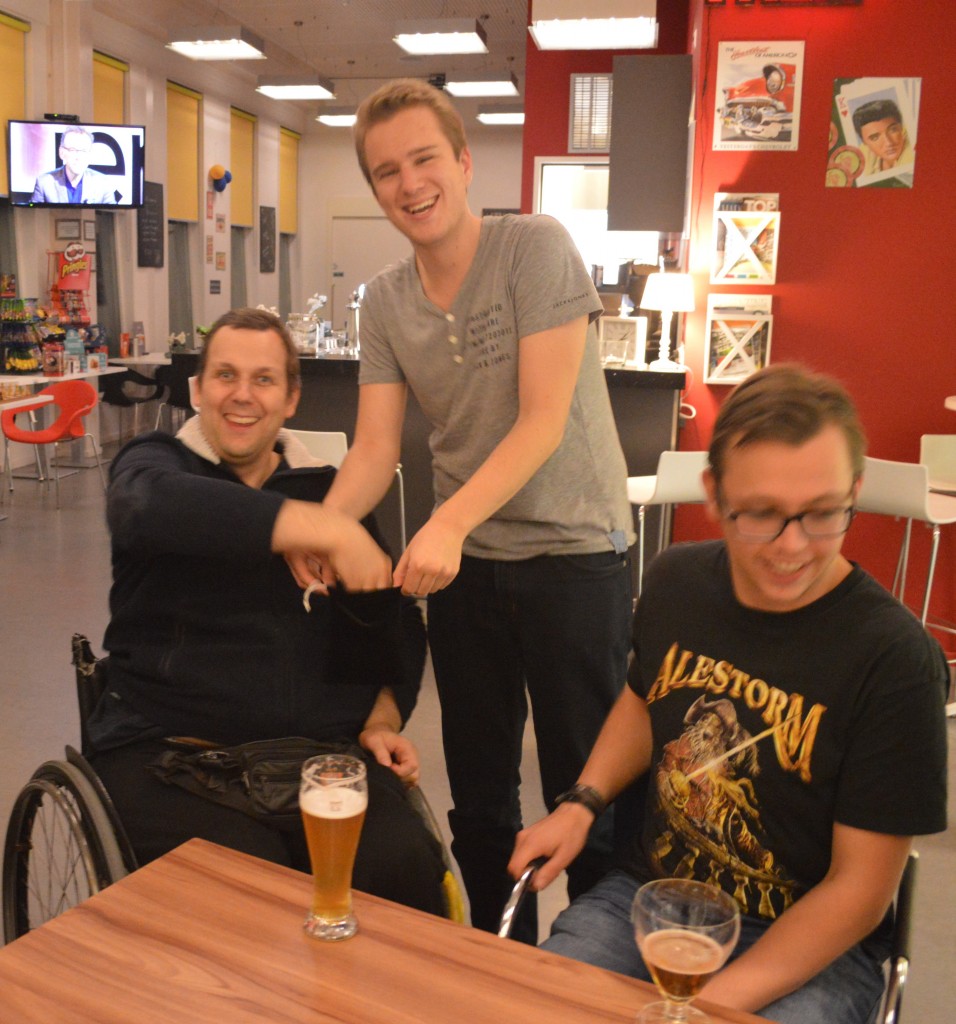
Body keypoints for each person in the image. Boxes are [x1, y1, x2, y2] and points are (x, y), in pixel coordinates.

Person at [509, 364, 948, 1023]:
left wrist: (697, 1009)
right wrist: (582, 802)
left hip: (808, 938)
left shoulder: (896, 661)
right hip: (651, 898)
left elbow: (859, 893)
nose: (793, 546)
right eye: (762, 514)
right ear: (714, 494)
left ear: (854, 491)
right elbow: (645, 700)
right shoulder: (675, 581)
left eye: (823, 513)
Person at [321, 79, 635, 941]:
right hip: (468, 572)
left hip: (575, 552)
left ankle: (594, 965)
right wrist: (325, 525)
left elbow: (543, 420)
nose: (410, 183)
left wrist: (447, 521)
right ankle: (501, 959)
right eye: (387, 171)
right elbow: (374, 449)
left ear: (463, 163)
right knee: (481, 790)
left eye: (424, 159)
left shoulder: (534, 247)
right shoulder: (385, 301)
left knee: (585, 787)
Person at [87, 307, 446, 916]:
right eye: (225, 375)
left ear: (291, 399)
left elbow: (393, 625)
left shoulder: (330, 492)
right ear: (197, 389)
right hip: (169, 753)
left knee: (403, 869)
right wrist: (318, 530)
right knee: (252, 889)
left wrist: (383, 718)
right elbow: (143, 507)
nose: (242, 396)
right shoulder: (156, 465)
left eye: (263, 380)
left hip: (315, 757)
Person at [31, 126, 117, 205]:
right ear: (61, 153)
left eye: (83, 151)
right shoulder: (44, 183)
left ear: (90, 155)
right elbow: (34, 214)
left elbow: (112, 214)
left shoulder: (104, 183)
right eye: (72, 150)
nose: (78, 157)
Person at [852, 99, 915, 176]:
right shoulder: (862, 154)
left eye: (893, 130)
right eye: (875, 137)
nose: (889, 143)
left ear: (901, 127)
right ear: (864, 142)